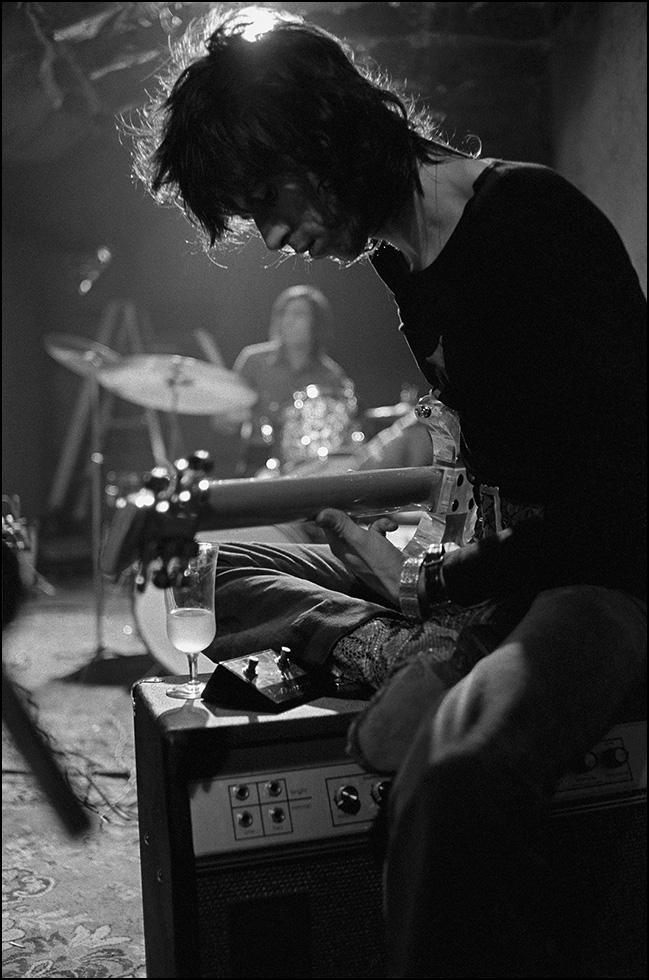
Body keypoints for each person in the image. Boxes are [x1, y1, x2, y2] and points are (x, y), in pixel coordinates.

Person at [130, 6, 647, 976]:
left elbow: (618, 499)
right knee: (208, 572)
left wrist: (457, 590)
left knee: (453, 774)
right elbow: (489, 450)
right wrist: (431, 562)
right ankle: (387, 644)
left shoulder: (530, 220)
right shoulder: (400, 259)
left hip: (604, 574)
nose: (277, 236)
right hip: (491, 576)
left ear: (327, 133)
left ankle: (419, 649)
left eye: (269, 197)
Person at [211, 283, 357, 475]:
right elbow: (221, 423)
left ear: (317, 323)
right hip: (258, 461)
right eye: (283, 314)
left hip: (311, 465)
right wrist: (229, 418)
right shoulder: (253, 360)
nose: (288, 320)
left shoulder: (332, 375)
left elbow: (341, 436)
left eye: (298, 314)